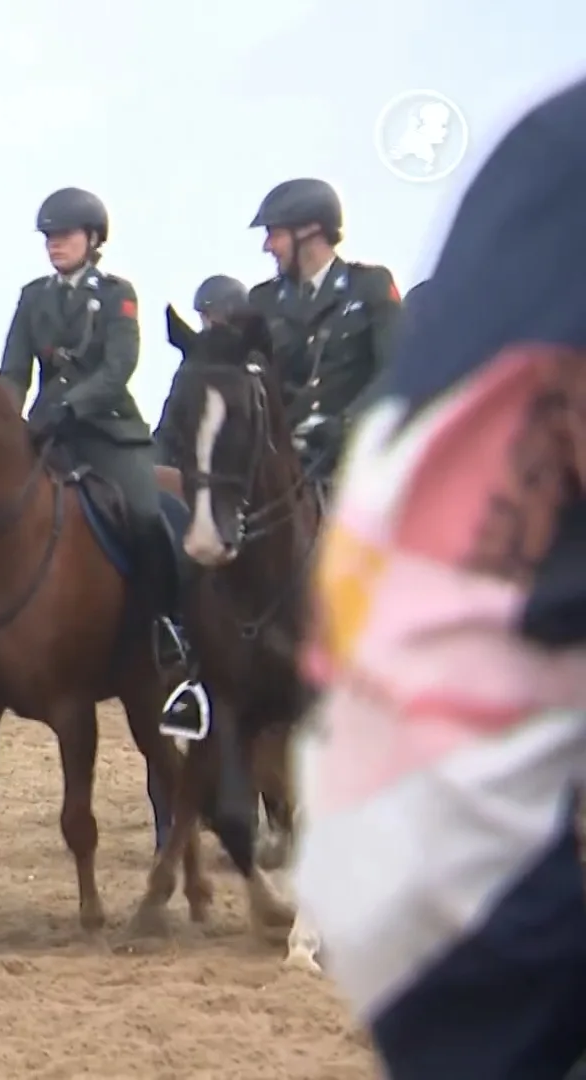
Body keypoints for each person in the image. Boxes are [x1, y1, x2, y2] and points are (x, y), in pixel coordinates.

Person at [294, 75, 586, 1079]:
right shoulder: (275, 306)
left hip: (343, 449)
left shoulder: (371, 289)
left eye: (282, 234)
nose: (271, 249)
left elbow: (381, 380)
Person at [0, 186, 204, 735]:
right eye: (48, 237)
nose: (54, 245)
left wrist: (67, 404)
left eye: (63, 236)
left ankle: (168, 627)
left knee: (144, 514)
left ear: (91, 240)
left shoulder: (117, 294)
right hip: (46, 436)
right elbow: (14, 370)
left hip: (110, 433)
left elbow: (119, 367)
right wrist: (2, 418)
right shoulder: (32, 296)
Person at [245, 177, 402, 488]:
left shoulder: (370, 287)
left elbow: (395, 368)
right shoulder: (261, 301)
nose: (267, 247)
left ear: (310, 232)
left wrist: (345, 426)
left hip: (353, 463)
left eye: (274, 234)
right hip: (281, 467)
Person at [153, 274, 250, 468]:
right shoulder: (194, 359)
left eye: (210, 314)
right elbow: (168, 428)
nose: (206, 322)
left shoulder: (249, 358)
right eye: (204, 316)